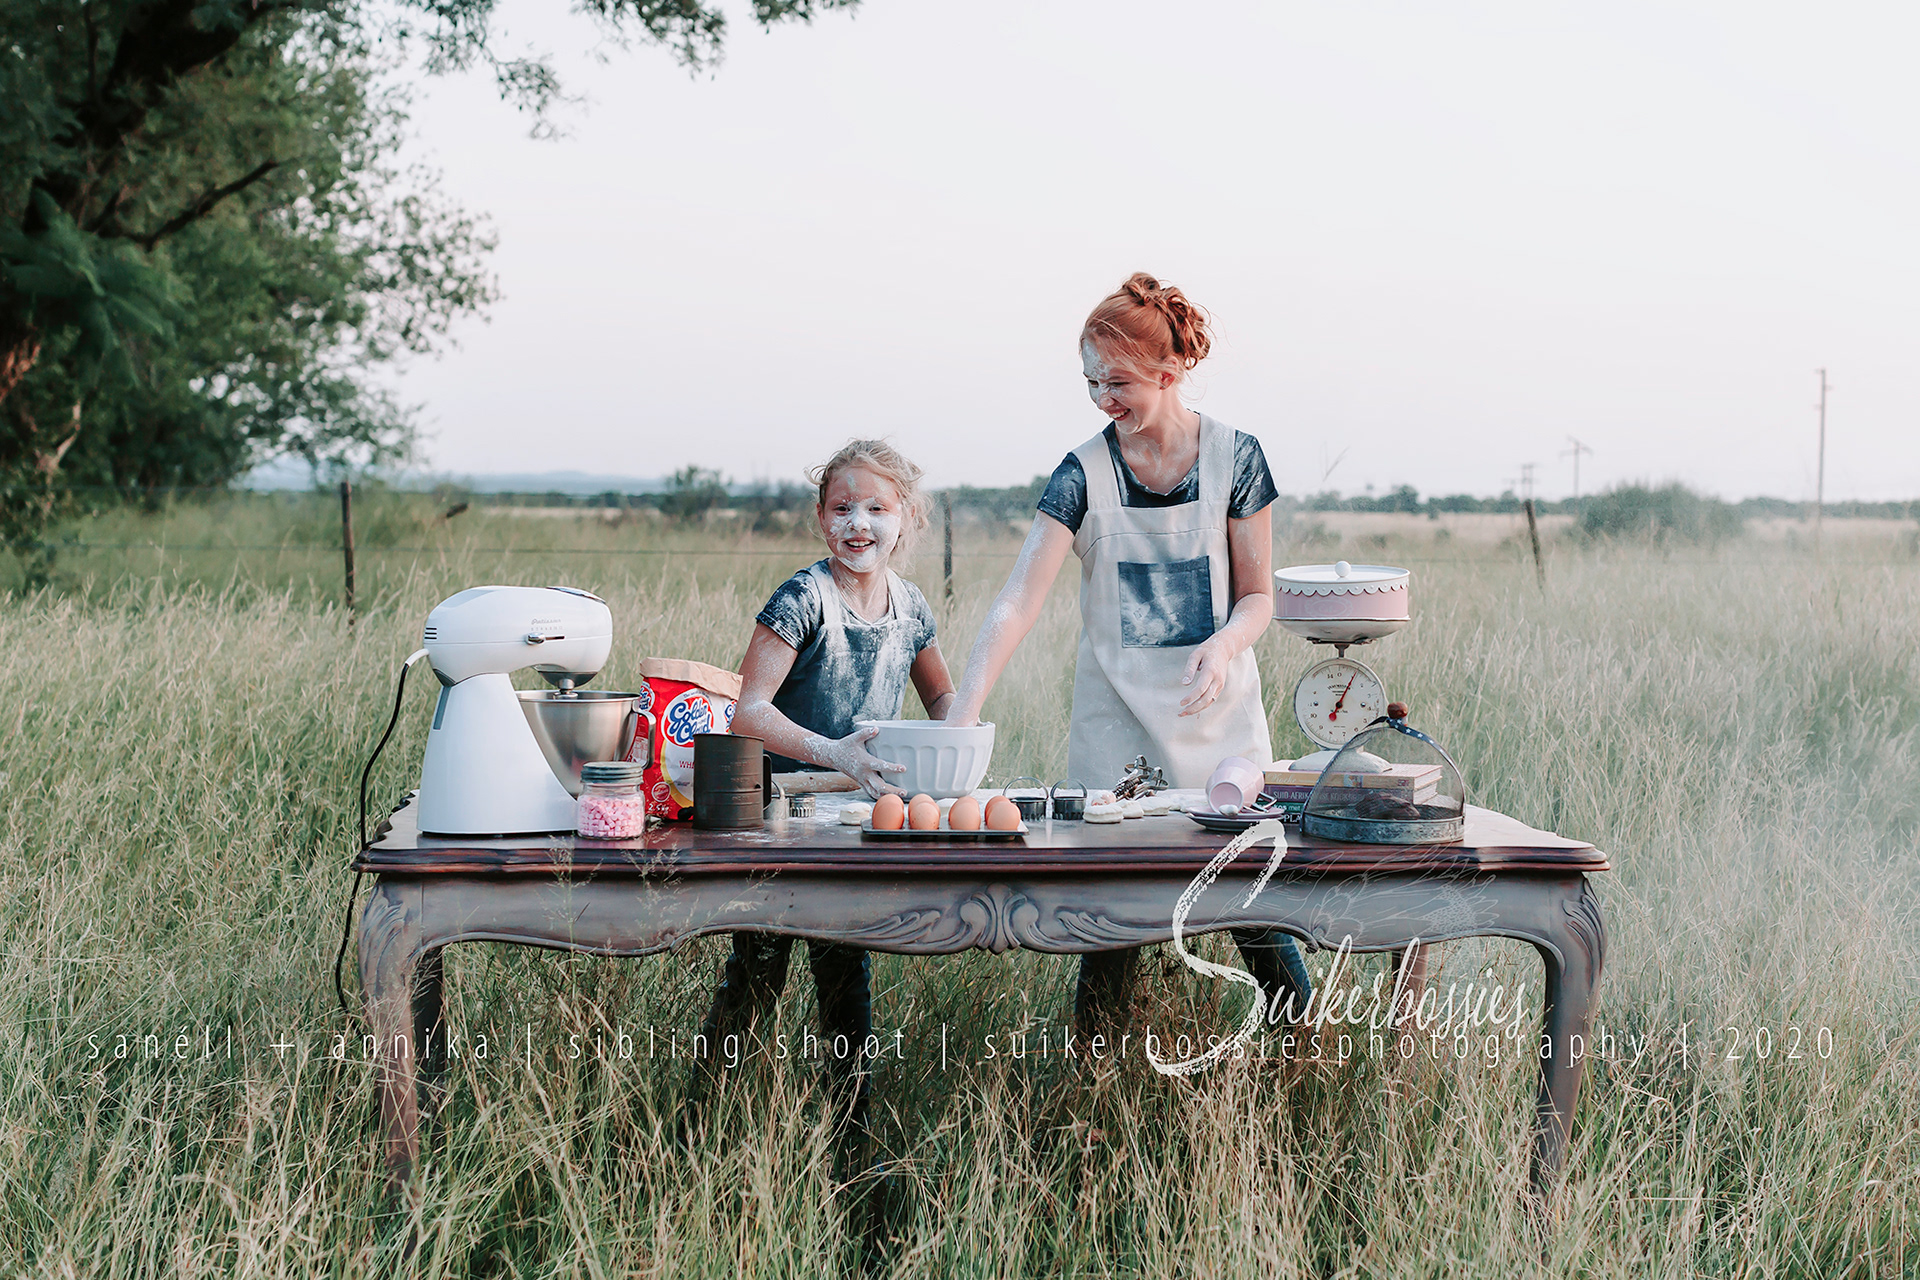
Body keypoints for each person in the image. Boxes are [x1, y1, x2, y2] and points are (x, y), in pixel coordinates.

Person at [946, 272, 1311, 1035]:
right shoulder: (1082, 473)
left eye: (1117, 382)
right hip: (1116, 732)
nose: (1101, 399)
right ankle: (1097, 1080)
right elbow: (1019, 599)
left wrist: (1223, 644)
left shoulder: (1238, 460)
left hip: (1218, 724)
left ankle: (1301, 1058)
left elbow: (1258, 598)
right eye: (1089, 382)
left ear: (1169, 375)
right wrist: (961, 711)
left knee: (1255, 910)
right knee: (1109, 925)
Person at [685, 439, 954, 1149]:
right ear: (820, 518)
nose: (858, 523)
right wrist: (831, 750)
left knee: (846, 975)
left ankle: (849, 1133)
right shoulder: (802, 598)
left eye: (876, 508)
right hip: (784, 813)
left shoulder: (912, 607)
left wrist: (960, 742)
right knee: (759, 973)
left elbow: (943, 695)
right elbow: (749, 712)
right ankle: (700, 1127)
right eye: (842, 508)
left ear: (907, 519)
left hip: (858, 822)